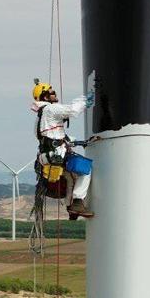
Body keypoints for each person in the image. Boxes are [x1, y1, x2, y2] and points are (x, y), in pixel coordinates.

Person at [30, 79, 95, 218]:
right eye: (52, 92)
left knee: (70, 177)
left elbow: (51, 136)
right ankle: (77, 203)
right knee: (86, 170)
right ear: (46, 96)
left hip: (45, 157)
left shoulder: (40, 117)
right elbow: (72, 110)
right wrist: (85, 100)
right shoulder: (51, 109)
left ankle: (71, 208)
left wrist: (72, 142)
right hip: (56, 154)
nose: (55, 94)